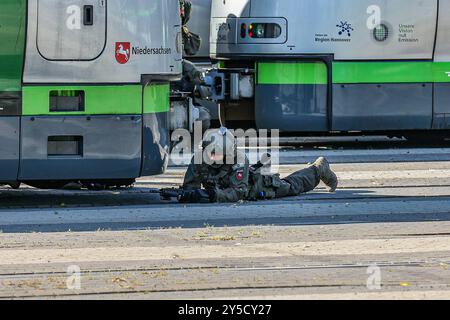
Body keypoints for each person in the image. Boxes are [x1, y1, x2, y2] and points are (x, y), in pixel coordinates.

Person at [177, 128, 338, 203]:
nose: (211, 157)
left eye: (216, 153)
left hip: (256, 187)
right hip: (224, 188)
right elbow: (190, 186)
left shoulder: (239, 160)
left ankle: (318, 169)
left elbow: (237, 193)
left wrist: (211, 195)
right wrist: (188, 195)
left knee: (292, 187)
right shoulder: (199, 159)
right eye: (209, 152)